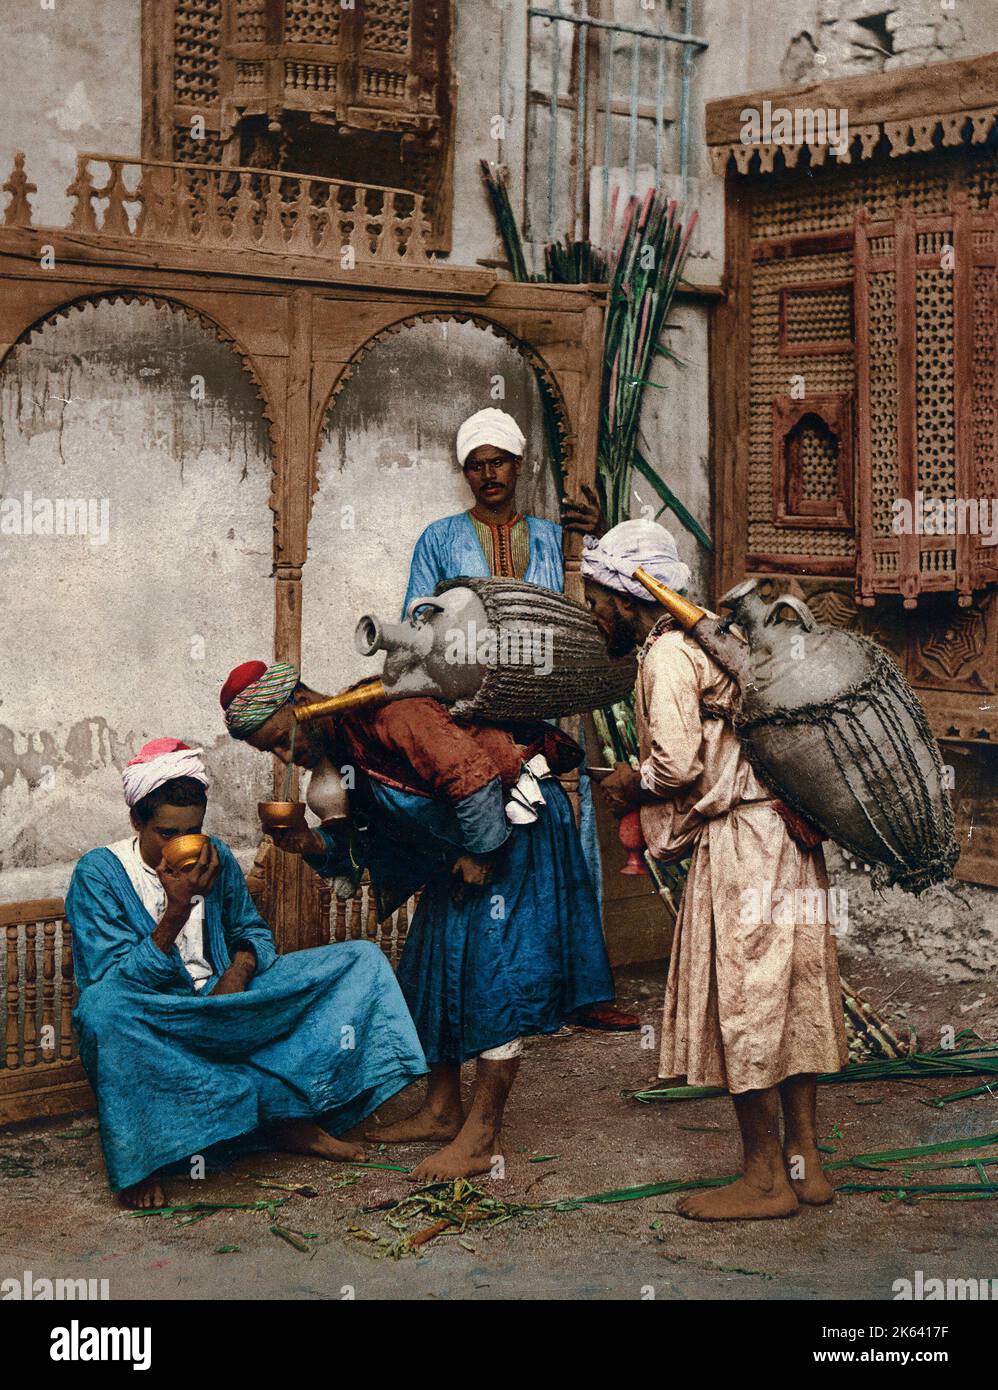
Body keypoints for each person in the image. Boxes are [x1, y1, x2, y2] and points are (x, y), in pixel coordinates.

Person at [222, 661, 615, 1181]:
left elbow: (472, 783)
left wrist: (482, 854)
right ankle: (441, 1109)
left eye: (279, 739)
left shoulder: (394, 713)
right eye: (267, 751)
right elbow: (367, 841)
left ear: (299, 702)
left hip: (515, 832)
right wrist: (309, 844)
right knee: (431, 966)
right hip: (462, 852)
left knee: (491, 977)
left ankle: (481, 1137)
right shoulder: (343, 750)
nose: (282, 756)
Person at [582, 520, 848, 1221]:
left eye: (594, 598)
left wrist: (627, 781)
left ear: (622, 595)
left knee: (748, 1005)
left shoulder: (668, 653)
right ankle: (806, 1165)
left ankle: (765, 1181)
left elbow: (677, 764)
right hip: (788, 838)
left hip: (743, 845)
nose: (591, 613)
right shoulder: (717, 643)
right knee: (787, 998)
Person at [66, 738, 426, 1210]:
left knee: (360, 959)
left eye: (192, 830)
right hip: (163, 1016)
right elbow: (112, 982)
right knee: (101, 1010)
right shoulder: (99, 873)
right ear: (136, 820)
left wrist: (239, 968)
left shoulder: (212, 854)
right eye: (166, 833)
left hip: (233, 1002)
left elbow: (251, 930)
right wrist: (174, 912)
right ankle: (146, 1156)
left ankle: (291, 1116)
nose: (182, 846)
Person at [402, 406, 636, 1032]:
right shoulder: (438, 538)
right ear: (466, 475)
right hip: (472, 714)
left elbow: (611, 609)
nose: (488, 475)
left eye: (498, 462)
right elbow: (420, 620)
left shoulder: (559, 538)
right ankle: (496, 995)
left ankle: (585, 992)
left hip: (547, 709)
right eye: (476, 467)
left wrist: (598, 538)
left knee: (568, 838)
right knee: (488, 841)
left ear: (518, 464)